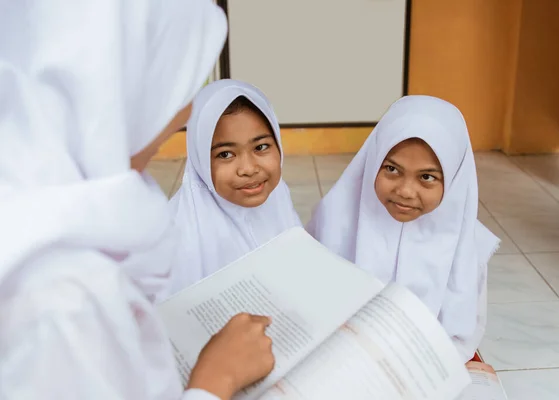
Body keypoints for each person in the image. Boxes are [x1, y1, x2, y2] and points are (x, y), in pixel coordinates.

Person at [0, 1, 275, 399]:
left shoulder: (49, 203)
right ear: (116, 86)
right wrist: (216, 381)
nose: (185, 112)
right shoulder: (62, 297)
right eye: (181, 81)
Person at [306, 95, 500, 362]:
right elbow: (308, 307)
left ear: (454, 181)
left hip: (423, 368)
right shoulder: (333, 221)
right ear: (373, 161)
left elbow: (462, 336)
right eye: (392, 169)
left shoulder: (468, 246)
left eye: (427, 177)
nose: (405, 191)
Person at [163, 80, 300, 298]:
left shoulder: (279, 198)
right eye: (225, 154)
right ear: (201, 161)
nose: (248, 169)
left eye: (261, 147)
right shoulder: (177, 237)